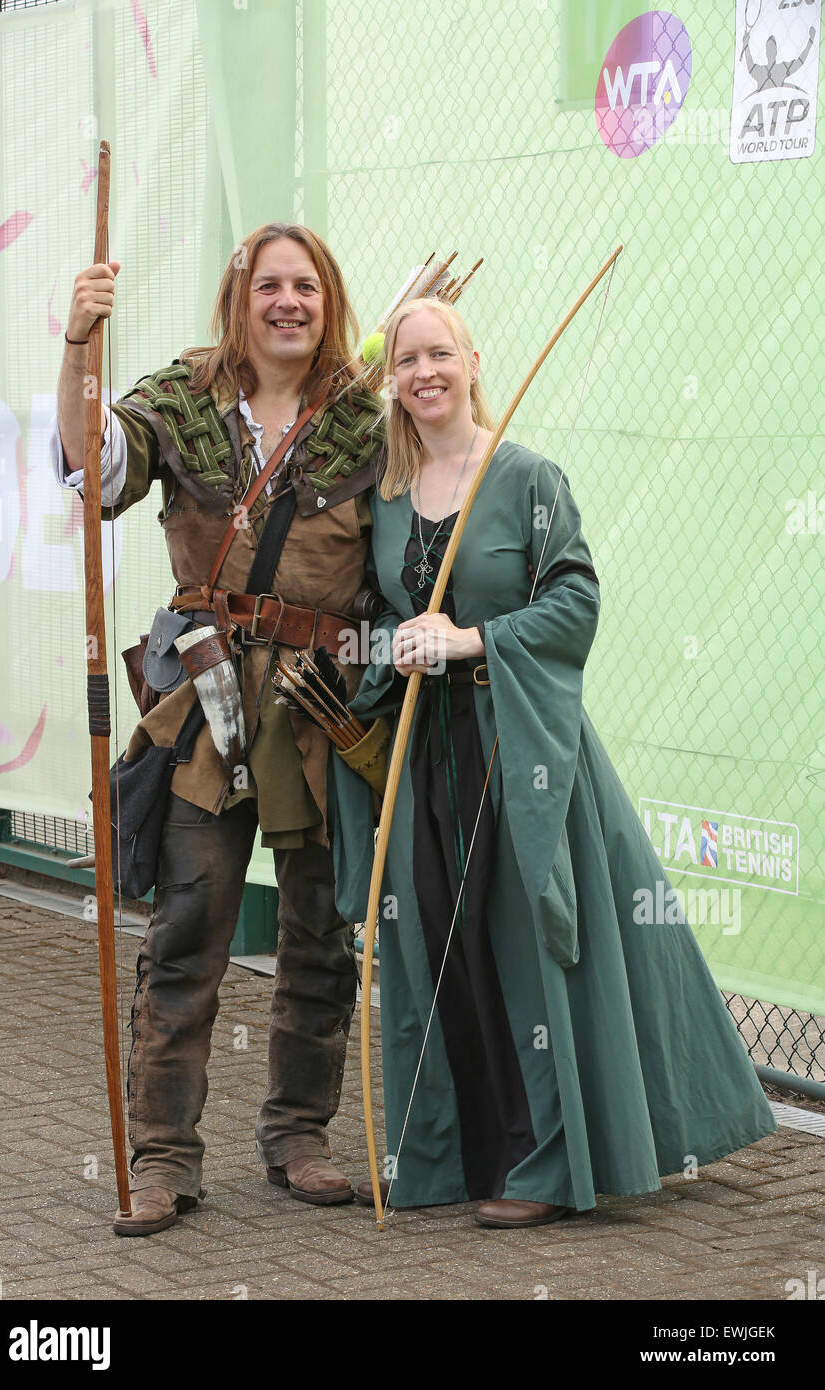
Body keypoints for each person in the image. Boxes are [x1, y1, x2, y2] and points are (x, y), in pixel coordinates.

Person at [327, 297, 777, 1229]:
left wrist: (471, 639)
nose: (423, 373)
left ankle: (547, 1163)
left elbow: (574, 603)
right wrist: (394, 648)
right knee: (436, 944)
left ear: (473, 359)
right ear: (393, 378)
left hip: (519, 752)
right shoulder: (385, 492)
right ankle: (452, 1156)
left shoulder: (526, 476)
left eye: (439, 353)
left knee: (527, 946)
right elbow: (379, 616)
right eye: (407, 360)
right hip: (425, 762)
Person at [52, 223, 384, 1234]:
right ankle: (161, 1157)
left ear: (327, 302)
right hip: (206, 708)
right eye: (268, 285)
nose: (287, 301)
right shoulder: (181, 398)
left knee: (320, 934)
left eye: (306, 287)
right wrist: (76, 346)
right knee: (190, 924)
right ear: (238, 301)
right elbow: (94, 470)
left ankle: (298, 1135)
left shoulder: (364, 423)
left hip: (323, 708)